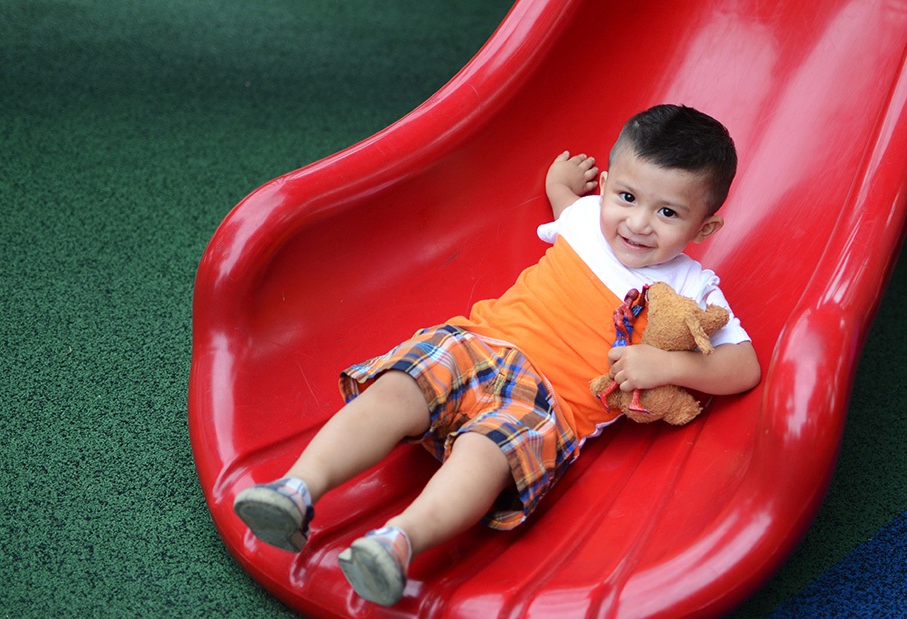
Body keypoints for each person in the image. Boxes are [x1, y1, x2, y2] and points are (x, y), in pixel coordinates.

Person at [232, 104, 761, 606]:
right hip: (479, 343)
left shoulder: (693, 285)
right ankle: (296, 489)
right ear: (606, 189)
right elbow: (565, 202)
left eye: (667, 212)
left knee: (486, 456)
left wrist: (669, 365)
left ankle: (396, 543)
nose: (638, 223)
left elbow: (744, 366)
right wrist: (563, 183)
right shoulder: (584, 219)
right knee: (401, 385)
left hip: (548, 405)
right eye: (626, 197)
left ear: (704, 229)